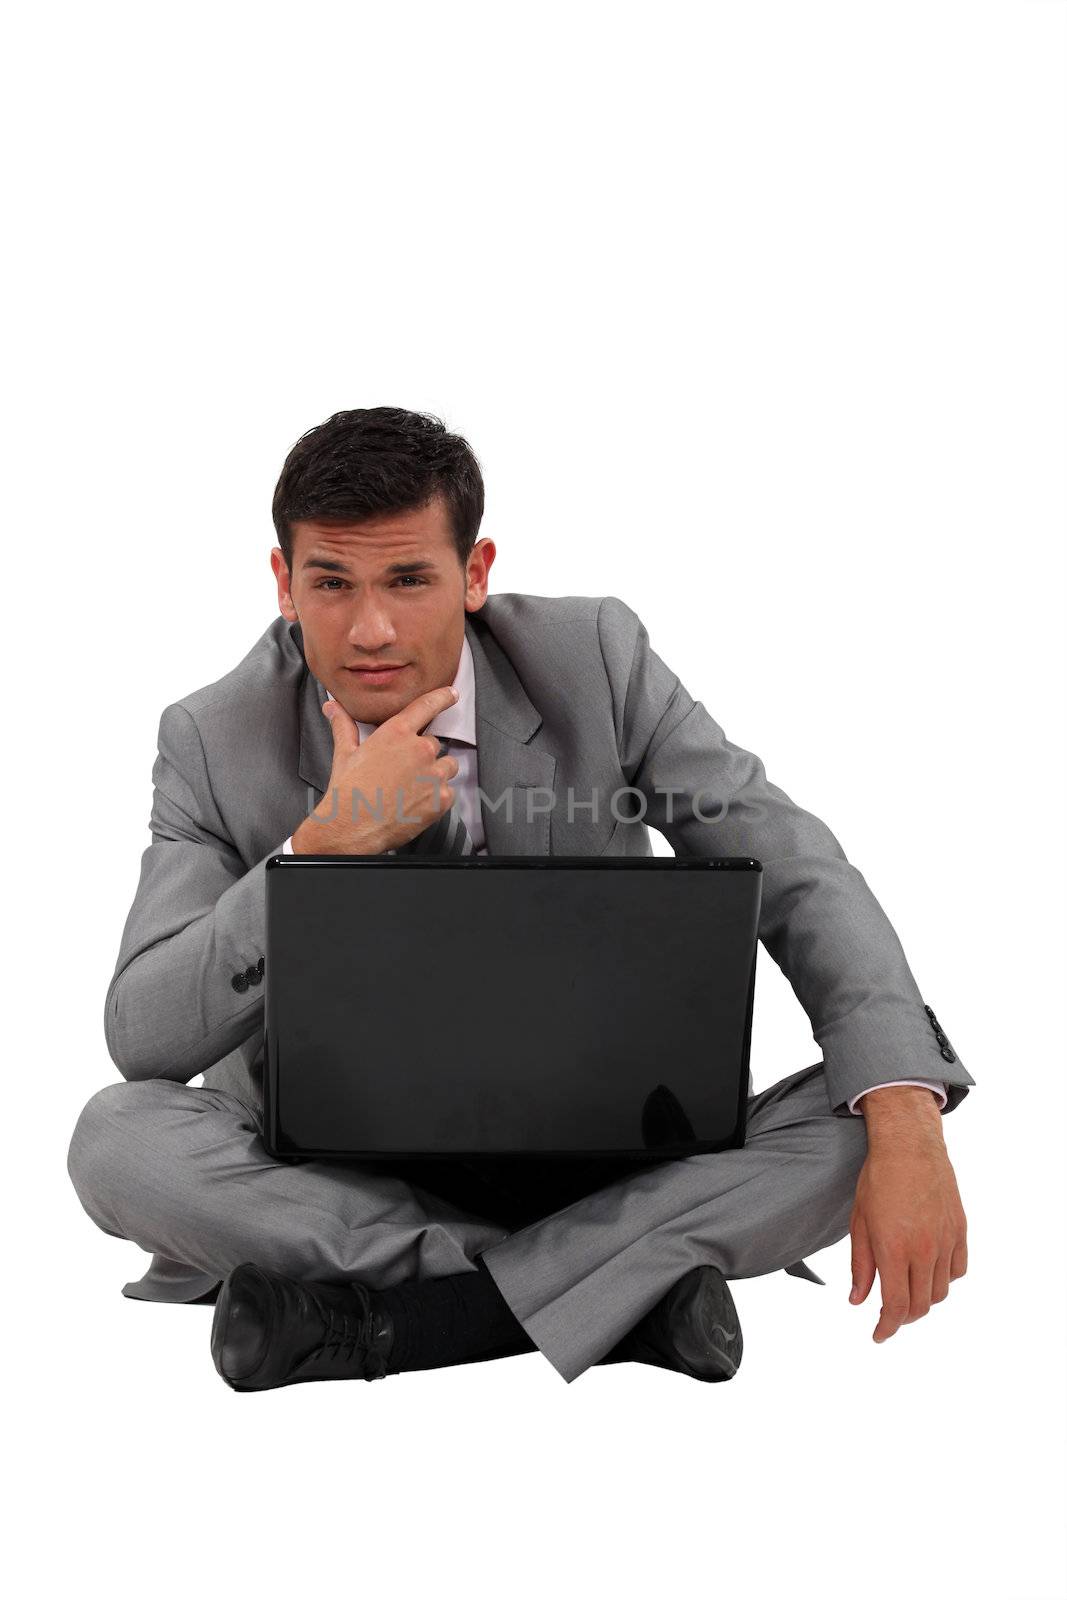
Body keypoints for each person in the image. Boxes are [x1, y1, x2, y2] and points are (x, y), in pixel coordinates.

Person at [66, 407, 974, 1392]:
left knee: (876, 1106)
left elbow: (795, 871)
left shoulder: (596, 658)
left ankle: (389, 1320)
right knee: (117, 1141)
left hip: (604, 1144)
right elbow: (143, 1035)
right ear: (284, 583)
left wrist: (904, 1120)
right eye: (330, 582)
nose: (368, 628)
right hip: (332, 1169)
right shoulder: (210, 737)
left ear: (474, 571)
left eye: (409, 578)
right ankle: (627, 1283)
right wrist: (319, 846)